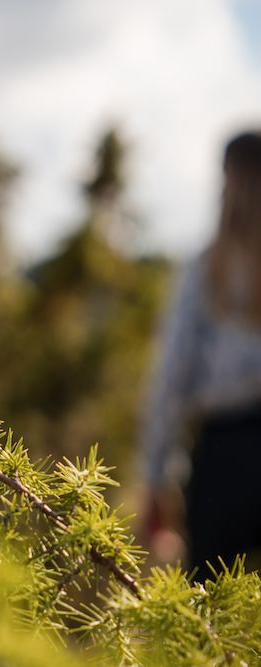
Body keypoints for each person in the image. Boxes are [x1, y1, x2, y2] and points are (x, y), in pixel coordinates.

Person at [142, 131, 261, 581]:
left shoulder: (206, 271)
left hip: (223, 457)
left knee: (205, 620)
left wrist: (156, 478)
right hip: (224, 448)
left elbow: (171, 379)